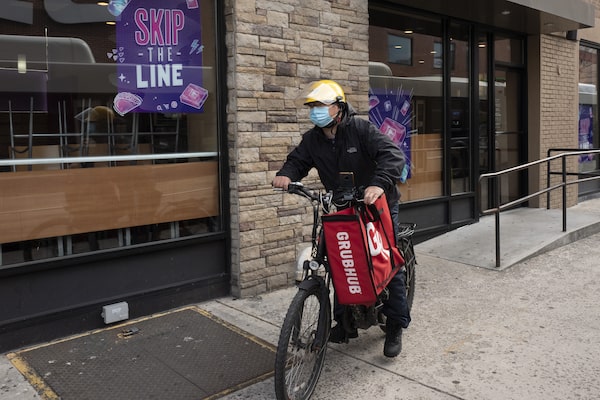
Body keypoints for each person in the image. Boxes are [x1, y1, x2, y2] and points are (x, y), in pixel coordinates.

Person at [272, 80, 411, 357]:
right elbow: (297, 161)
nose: (315, 111)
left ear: (339, 107)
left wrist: (377, 184)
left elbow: (393, 156)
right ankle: (345, 323)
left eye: (321, 105)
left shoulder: (360, 129)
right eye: (312, 106)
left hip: (377, 205)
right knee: (340, 261)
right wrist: (286, 175)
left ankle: (395, 324)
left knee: (385, 259)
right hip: (342, 206)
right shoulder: (312, 139)